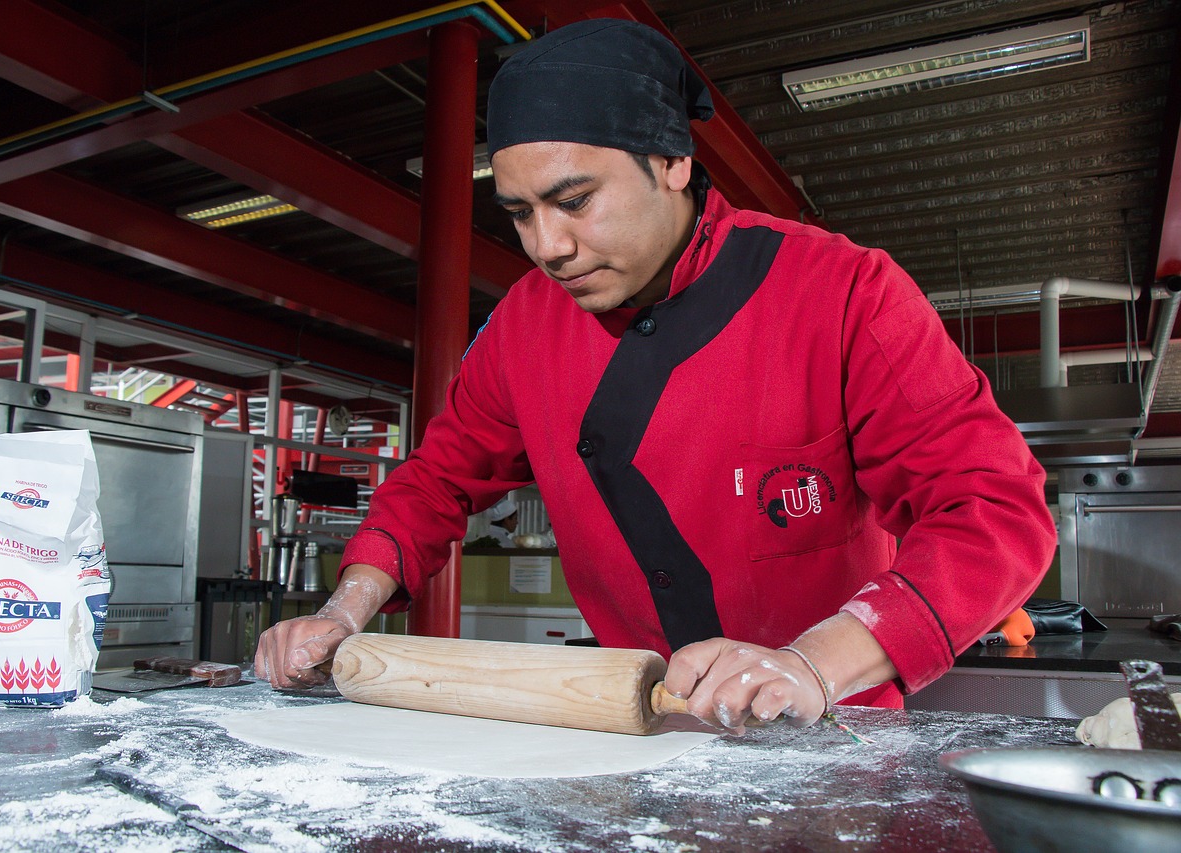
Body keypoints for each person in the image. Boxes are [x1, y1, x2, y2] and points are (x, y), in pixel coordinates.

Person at [255, 19, 1056, 733]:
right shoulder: (522, 329)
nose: (547, 247)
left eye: (575, 201)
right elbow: (435, 482)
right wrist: (344, 609)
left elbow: (994, 511)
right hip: (635, 736)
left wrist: (813, 663)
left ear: (672, 160)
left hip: (833, 735)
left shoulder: (844, 293)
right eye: (522, 213)